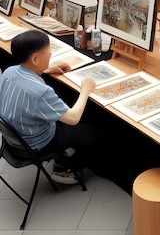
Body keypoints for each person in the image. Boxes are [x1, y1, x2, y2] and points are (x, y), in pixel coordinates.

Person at [0, 30, 97, 184]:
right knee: (91, 131)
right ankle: (64, 168)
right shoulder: (41, 93)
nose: (51, 52)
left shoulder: (8, 72)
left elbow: (25, 79)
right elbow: (73, 119)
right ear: (35, 59)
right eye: (49, 50)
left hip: (13, 138)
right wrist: (86, 88)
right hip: (37, 142)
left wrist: (43, 69)